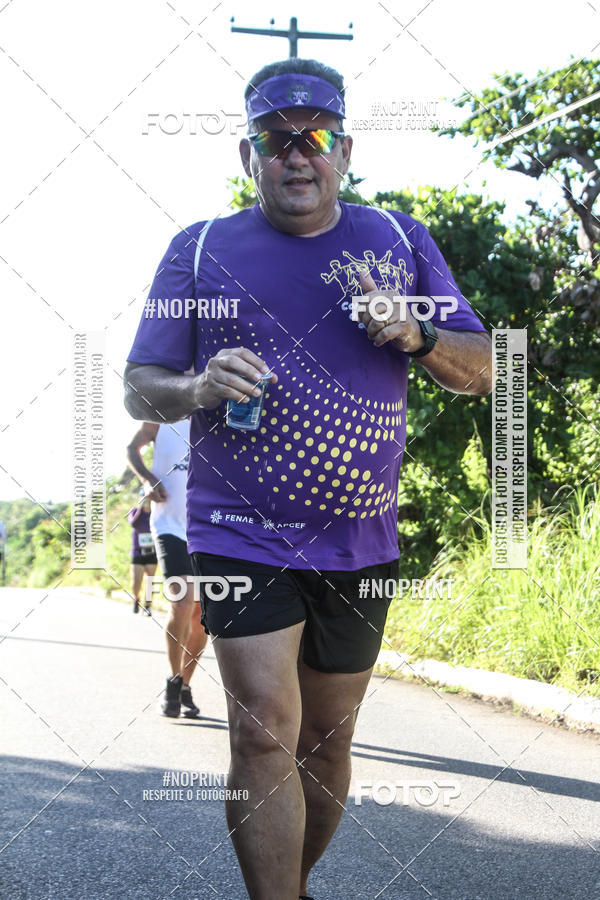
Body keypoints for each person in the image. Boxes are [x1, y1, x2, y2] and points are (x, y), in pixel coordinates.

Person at [123, 57, 493, 900]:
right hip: (239, 531)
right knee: (264, 733)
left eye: (315, 137)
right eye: (276, 139)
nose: (298, 155)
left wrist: (419, 336)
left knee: (325, 743)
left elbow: (483, 370)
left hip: (360, 539)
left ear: (345, 149)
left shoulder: (398, 240)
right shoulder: (202, 248)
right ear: (249, 153)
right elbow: (141, 383)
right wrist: (197, 385)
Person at [126, 419, 207, 718]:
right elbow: (132, 447)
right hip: (169, 526)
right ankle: (173, 680)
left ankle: (185, 684)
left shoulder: (216, 404)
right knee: (182, 603)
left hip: (207, 529)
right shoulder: (163, 408)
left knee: (201, 616)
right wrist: (147, 480)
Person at [128, 493, 157, 614]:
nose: (145, 500)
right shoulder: (134, 511)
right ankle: (136, 599)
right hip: (137, 553)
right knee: (136, 581)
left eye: (147, 498)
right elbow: (133, 524)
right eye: (142, 497)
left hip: (151, 552)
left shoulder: (155, 513)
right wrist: (140, 508)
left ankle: (148, 606)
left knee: (150, 580)